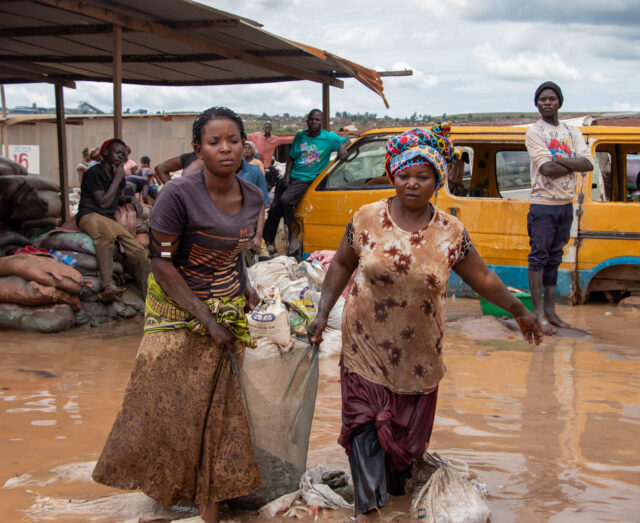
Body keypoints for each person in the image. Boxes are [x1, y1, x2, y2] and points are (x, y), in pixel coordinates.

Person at [307, 126, 543, 521]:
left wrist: (521, 312)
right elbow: (343, 264)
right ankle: (369, 511)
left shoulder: (451, 232)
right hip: (365, 347)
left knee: (404, 450)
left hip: (419, 358)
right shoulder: (366, 219)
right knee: (365, 427)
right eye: (404, 175)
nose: (412, 183)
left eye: (423, 176)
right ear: (392, 176)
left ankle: (394, 498)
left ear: (438, 180)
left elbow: (481, 277)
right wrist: (320, 313)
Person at [92, 107, 264, 523]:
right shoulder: (178, 195)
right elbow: (162, 264)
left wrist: (246, 288)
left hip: (228, 309)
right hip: (177, 312)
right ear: (197, 150)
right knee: (171, 406)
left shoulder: (255, 195)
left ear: (245, 145)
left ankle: (211, 499)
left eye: (233, 140)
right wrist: (205, 320)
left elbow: (237, 253)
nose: (225, 149)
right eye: (213, 142)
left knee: (221, 411)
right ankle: (170, 489)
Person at [526, 81, 593, 334]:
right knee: (539, 258)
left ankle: (552, 313)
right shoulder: (535, 132)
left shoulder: (572, 131)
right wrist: (571, 162)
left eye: (551, 99)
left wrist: (559, 159)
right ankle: (538, 315)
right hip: (543, 205)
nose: (546, 103)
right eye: (542, 99)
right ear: (537, 103)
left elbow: (588, 164)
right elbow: (546, 169)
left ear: (559, 102)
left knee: (554, 258)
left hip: (566, 204)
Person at [263, 109, 349, 255]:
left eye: (317, 120)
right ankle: (267, 242)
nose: (313, 122)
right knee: (275, 208)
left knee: (285, 201)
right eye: (311, 119)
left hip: (308, 179)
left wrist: (342, 147)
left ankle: (292, 236)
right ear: (307, 120)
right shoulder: (301, 136)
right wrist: (287, 175)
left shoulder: (329, 138)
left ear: (321, 122)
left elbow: (348, 140)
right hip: (293, 175)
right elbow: (291, 158)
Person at [76, 138, 150, 301]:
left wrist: (131, 199)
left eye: (124, 154)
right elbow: (102, 202)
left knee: (137, 250)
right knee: (105, 238)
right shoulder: (94, 173)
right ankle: (107, 284)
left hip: (107, 219)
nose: (122, 157)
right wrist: (117, 178)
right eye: (118, 153)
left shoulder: (118, 174)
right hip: (90, 215)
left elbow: (115, 198)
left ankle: (149, 295)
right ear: (105, 153)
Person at [237, 158, 268, 254]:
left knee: (264, 263)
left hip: (249, 234)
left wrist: (258, 236)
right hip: (226, 237)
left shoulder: (254, 171)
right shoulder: (215, 173)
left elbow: (260, 205)